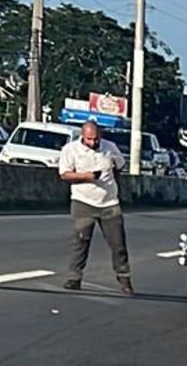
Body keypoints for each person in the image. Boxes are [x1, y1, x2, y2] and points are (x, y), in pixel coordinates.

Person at [56, 120, 132, 295]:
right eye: (89, 139)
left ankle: (124, 278)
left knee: (118, 243)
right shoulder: (70, 150)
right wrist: (86, 176)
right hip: (83, 200)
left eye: (95, 139)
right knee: (80, 241)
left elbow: (120, 167)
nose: (92, 143)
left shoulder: (110, 147)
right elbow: (65, 174)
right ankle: (74, 277)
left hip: (109, 203)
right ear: (82, 136)